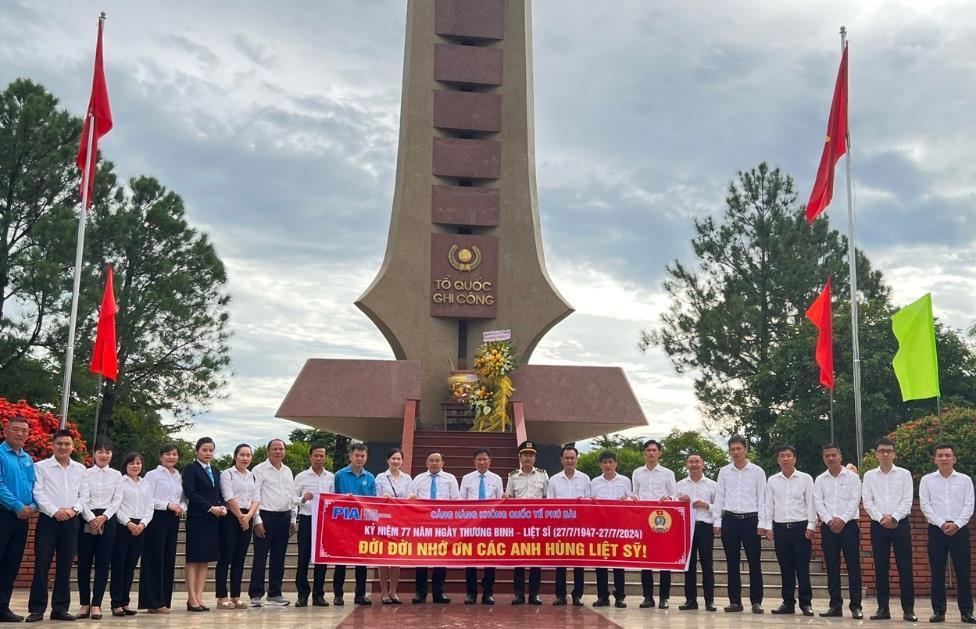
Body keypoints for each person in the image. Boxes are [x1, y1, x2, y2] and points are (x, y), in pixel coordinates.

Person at [27, 429, 84, 622]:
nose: (63, 447)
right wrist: (54, 511)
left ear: (72, 447)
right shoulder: (41, 467)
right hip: (48, 522)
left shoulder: (80, 468)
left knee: (65, 566)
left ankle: (60, 608)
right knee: (42, 565)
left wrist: (73, 510)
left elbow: (84, 495)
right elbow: (38, 492)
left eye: (67, 444)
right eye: (59, 443)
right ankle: (37, 609)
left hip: (71, 521)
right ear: (53, 445)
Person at [919, 443, 975, 624]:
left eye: (947, 455)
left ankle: (966, 612)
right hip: (937, 530)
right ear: (935, 459)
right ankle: (938, 611)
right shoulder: (927, 480)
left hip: (960, 531)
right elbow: (925, 506)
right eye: (940, 455)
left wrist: (957, 524)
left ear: (954, 459)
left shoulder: (965, 480)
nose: (944, 458)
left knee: (963, 572)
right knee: (937, 572)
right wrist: (942, 523)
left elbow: (969, 505)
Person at [861, 437, 916, 621]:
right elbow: (867, 501)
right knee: (881, 568)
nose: (885, 454)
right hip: (878, 526)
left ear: (894, 454)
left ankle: (908, 610)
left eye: (889, 451)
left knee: (905, 567)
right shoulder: (869, 476)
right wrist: (881, 518)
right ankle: (883, 609)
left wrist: (893, 517)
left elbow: (907, 500)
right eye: (882, 450)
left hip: (900, 524)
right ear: (876, 454)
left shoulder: (904, 474)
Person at [713, 434, 766, 614]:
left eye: (739, 449)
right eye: (732, 449)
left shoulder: (757, 471)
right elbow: (719, 497)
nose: (736, 452)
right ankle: (735, 601)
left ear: (745, 449)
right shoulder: (724, 471)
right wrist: (717, 521)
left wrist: (763, 522)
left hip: (751, 520)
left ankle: (756, 601)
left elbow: (762, 499)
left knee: (754, 562)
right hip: (730, 520)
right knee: (732, 563)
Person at [763, 445, 816, 617]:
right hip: (780, 528)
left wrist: (811, 525)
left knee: (802, 568)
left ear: (795, 458)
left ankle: (806, 603)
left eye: (789, 455)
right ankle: (788, 603)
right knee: (785, 568)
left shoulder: (805, 479)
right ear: (778, 460)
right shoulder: (772, 480)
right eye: (782, 456)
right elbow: (769, 504)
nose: (785, 459)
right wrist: (768, 526)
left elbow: (810, 503)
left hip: (800, 528)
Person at [813, 443, 863, 619]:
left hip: (849, 525)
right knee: (832, 567)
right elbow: (818, 503)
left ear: (840, 456)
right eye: (827, 455)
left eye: (834, 455)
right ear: (824, 458)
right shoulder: (820, 479)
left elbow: (855, 500)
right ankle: (835, 605)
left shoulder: (852, 478)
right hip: (828, 527)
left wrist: (842, 519)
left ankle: (856, 606)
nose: (831, 458)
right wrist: (829, 520)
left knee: (853, 566)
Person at [77, 439, 123, 621]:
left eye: (108, 452)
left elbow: (117, 499)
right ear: (93, 454)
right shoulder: (85, 474)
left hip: (108, 519)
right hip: (87, 517)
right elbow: (82, 497)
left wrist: (103, 518)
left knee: (103, 564)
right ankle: (84, 603)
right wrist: (91, 519)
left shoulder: (117, 475)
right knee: (84, 564)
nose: (104, 455)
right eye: (100, 452)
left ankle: (96, 604)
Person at [248, 438, 296, 608]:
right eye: (274, 449)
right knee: (260, 557)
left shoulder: (288, 471)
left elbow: (291, 496)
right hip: (265, 517)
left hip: (283, 517)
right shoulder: (259, 470)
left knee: (279, 558)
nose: (278, 451)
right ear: (268, 451)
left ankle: (275, 593)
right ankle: (256, 594)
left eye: (281, 449)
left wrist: (292, 518)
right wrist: (257, 519)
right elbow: (255, 495)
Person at [139, 443, 186, 613]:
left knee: (168, 559)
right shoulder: (152, 475)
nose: (171, 457)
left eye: (174, 454)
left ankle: (164, 600)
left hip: (173, 519)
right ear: (160, 457)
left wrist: (181, 507)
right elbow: (147, 498)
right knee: (154, 559)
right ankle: (153, 602)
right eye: (167, 454)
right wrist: (168, 505)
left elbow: (183, 498)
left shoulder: (178, 476)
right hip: (156, 518)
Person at [632, 438, 677, 609]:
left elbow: (674, 494)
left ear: (660, 453)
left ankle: (664, 598)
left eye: (654, 450)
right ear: (644, 453)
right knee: (646, 560)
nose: (651, 453)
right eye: (648, 450)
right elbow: (634, 493)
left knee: (664, 560)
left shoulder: (668, 473)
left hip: (662, 521)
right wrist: (633, 498)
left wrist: (668, 498)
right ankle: (648, 597)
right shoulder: (637, 473)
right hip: (643, 520)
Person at [183, 437, 227, 612]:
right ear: (197, 451)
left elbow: (218, 492)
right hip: (197, 519)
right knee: (194, 559)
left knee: (205, 560)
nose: (208, 453)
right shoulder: (190, 469)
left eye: (211, 450)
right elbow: (191, 493)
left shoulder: (215, 470)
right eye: (204, 450)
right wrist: (210, 508)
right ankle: (191, 598)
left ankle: (200, 597)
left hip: (213, 521)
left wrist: (222, 506)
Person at [0, 416, 36, 623]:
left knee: (11, 564)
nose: (21, 434)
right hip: (4, 514)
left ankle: (3, 607)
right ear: (6, 431)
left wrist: (32, 506)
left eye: (25, 431)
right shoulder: (1, 454)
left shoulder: (27, 459)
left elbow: (33, 487)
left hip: (22, 519)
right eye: (16, 430)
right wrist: (16, 506)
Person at [410, 450, 459, 604]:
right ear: (426, 462)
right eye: (431, 460)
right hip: (422, 524)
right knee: (421, 559)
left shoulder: (450, 479)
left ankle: (438, 593)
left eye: (437, 460)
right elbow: (411, 499)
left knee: (440, 560)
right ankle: (420, 593)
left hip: (442, 524)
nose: (434, 463)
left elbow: (456, 501)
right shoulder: (418, 479)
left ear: (443, 463)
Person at [505, 440, 549, 605]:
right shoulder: (513, 476)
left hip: (537, 524)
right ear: (520, 457)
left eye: (531, 455)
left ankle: (534, 594)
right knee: (519, 560)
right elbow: (508, 498)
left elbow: (547, 499)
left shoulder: (543, 475)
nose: (528, 458)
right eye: (525, 455)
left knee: (536, 560)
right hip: (518, 523)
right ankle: (519, 593)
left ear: (535, 458)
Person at [332, 442, 376, 605]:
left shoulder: (370, 477)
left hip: (362, 525)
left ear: (366, 458)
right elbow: (332, 498)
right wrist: (344, 499)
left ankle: (360, 594)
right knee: (341, 560)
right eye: (356, 455)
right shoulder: (339, 475)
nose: (359, 458)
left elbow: (373, 502)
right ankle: (338, 594)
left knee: (361, 560)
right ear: (350, 456)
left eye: (362, 456)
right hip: (343, 523)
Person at [216, 443, 259, 610]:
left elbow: (256, 498)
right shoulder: (227, 474)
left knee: (239, 559)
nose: (245, 458)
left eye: (248, 455)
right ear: (235, 456)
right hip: (230, 517)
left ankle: (235, 596)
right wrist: (240, 516)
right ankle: (221, 596)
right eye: (242, 455)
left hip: (247, 517)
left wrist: (248, 516)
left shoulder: (252, 476)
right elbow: (228, 496)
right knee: (226, 557)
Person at [110, 453, 153, 617]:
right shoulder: (120, 482)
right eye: (132, 463)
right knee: (119, 565)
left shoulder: (145, 484)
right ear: (125, 465)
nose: (135, 466)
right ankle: (116, 603)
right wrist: (128, 523)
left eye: (138, 463)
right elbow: (117, 505)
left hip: (140, 527)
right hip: (123, 526)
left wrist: (142, 523)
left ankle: (125, 602)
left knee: (130, 566)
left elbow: (149, 506)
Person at [547, 445, 590, 607]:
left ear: (577, 459)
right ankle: (560, 595)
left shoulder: (585, 479)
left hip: (579, 527)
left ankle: (577, 595)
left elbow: (588, 504)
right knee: (561, 562)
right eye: (567, 458)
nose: (570, 461)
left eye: (572, 458)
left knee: (578, 562)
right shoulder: (554, 479)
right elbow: (550, 504)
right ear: (561, 460)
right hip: (560, 527)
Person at [674, 451, 716, 612]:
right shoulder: (680, 485)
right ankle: (690, 600)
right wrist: (680, 501)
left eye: (697, 461)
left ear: (703, 464)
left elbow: (719, 507)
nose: (694, 464)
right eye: (691, 462)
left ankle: (709, 601)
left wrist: (706, 505)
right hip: (686, 528)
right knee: (689, 566)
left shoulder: (713, 485)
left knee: (707, 565)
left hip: (705, 526)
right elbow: (673, 506)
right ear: (686, 465)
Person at [460, 448, 503, 605]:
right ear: (474, 461)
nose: (482, 462)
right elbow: (461, 502)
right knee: (470, 559)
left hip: (490, 524)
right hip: (471, 524)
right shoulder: (466, 478)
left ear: (490, 461)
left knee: (490, 559)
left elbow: (500, 502)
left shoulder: (497, 479)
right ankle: (471, 593)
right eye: (479, 459)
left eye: (485, 459)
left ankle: (488, 592)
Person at [294, 443, 334, 607]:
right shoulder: (301, 477)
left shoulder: (331, 477)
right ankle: (302, 594)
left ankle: (318, 594)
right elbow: (292, 498)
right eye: (316, 455)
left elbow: (335, 498)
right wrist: (303, 499)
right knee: (303, 558)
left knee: (321, 559)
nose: (319, 458)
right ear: (310, 456)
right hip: (306, 519)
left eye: (322, 456)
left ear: (325, 457)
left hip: (324, 522)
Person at [590, 451, 631, 608]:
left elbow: (632, 499)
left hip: (619, 527)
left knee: (618, 562)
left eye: (610, 462)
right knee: (600, 563)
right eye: (604, 462)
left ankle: (620, 596)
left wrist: (626, 500)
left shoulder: (625, 481)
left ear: (616, 464)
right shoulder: (594, 482)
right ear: (600, 465)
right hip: (600, 528)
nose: (607, 465)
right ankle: (603, 596)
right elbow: (587, 503)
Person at [376, 447, 411, 604]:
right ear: (388, 460)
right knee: (383, 557)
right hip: (384, 520)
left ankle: (393, 591)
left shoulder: (407, 478)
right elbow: (375, 498)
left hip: (401, 521)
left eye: (399, 459)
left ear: (402, 461)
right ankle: (384, 592)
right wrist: (382, 497)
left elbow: (411, 497)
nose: (396, 461)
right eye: (393, 459)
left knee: (396, 557)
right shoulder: (380, 477)